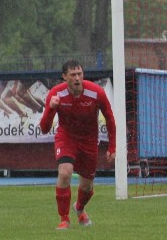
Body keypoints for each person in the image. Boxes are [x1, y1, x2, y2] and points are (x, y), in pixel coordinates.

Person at [39, 60, 117, 230]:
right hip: (66, 137)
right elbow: (44, 128)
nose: (77, 78)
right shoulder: (56, 94)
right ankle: (64, 219)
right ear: (64, 76)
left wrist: (112, 147)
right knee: (65, 173)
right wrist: (51, 108)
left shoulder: (96, 92)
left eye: (80, 74)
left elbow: (110, 118)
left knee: (87, 186)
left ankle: (79, 208)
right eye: (73, 75)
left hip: (89, 140)